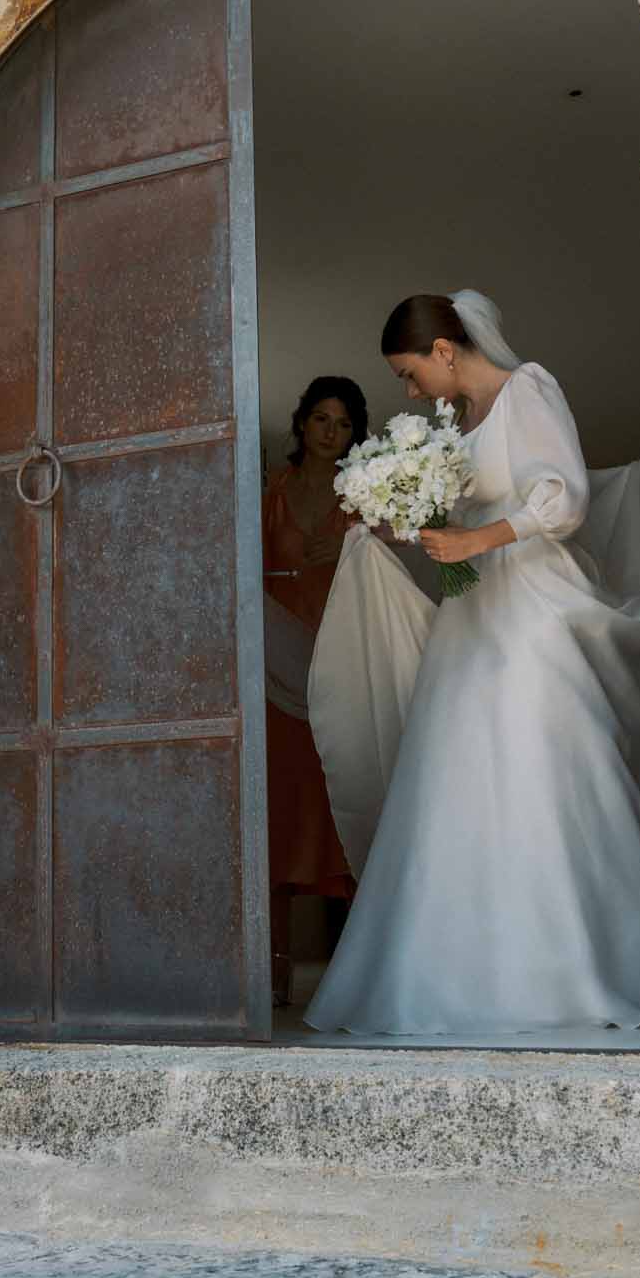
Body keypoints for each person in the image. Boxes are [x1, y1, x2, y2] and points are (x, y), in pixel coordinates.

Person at [303, 291, 640, 1039]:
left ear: (443, 351)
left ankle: (584, 967)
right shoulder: (454, 423)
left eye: (408, 373)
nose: (408, 391)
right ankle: (456, 971)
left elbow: (563, 500)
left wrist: (476, 541)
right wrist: (411, 527)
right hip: (475, 613)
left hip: (534, 610)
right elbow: (463, 522)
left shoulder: (526, 388)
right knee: (455, 774)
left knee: (544, 766)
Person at [262, 376, 368, 1006]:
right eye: (322, 420)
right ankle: (270, 974)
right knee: (277, 812)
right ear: (302, 422)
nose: (331, 433)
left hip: (339, 659)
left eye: (345, 424)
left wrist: (359, 544)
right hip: (275, 670)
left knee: (343, 802)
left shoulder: (363, 496)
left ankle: (353, 975)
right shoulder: (270, 490)